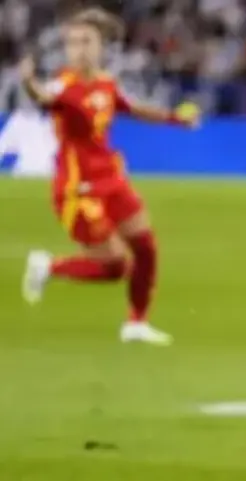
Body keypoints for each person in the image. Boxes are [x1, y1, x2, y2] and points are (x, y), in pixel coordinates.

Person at [19, 7, 199, 345]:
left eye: (86, 41)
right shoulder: (62, 86)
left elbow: (132, 108)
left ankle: (136, 323)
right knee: (116, 266)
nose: (79, 49)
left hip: (110, 180)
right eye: (73, 43)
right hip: (78, 190)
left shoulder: (105, 84)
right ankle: (48, 266)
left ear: (101, 46)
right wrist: (29, 81)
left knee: (146, 247)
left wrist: (176, 119)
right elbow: (43, 97)